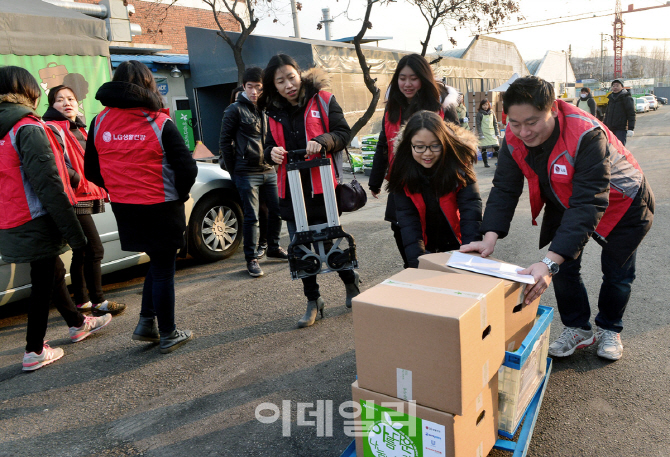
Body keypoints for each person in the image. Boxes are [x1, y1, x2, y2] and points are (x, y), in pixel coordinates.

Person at [461, 76, 654, 362]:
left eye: (532, 122)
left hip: (622, 202)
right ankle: (578, 327)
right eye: (515, 123)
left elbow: (589, 202)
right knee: (564, 270)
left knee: (617, 274)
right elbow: (504, 187)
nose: (524, 132)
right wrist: (488, 235)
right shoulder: (514, 136)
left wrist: (548, 263)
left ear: (552, 107)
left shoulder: (586, 134)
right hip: (563, 198)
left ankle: (609, 327)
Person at [0, 66, 112, 371]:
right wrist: (74, 233)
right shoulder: (27, 128)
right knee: (43, 280)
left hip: (11, 217)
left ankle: (77, 323)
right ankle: (34, 350)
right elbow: (49, 184)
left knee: (51, 270)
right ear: (27, 91)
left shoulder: (6, 130)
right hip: (35, 217)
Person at [85, 60, 198, 354]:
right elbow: (187, 169)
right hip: (161, 205)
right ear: (148, 85)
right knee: (163, 268)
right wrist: (180, 194)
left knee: (157, 263)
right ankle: (169, 332)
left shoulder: (99, 122)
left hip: (126, 207)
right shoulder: (159, 122)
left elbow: (91, 171)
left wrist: (119, 187)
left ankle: (147, 322)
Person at [259, 54, 360, 328]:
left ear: (299, 74)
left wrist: (323, 141)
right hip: (291, 189)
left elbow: (343, 133)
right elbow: (268, 146)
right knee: (299, 247)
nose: (288, 85)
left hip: (322, 187)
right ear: (274, 85)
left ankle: (351, 284)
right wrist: (272, 152)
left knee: (331, 240)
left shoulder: (323, 100)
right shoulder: (272, 111)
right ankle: (313, 300)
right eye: (280, 81)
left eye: (291, 77)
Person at [368, 54, 459, 269]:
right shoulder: (392, 107)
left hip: (436, 186)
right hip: (402, 183)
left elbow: (458, 143)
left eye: (414, 78)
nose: (407, 84)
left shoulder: (441, 105)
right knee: (404, 235)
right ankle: (414, 277)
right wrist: (375, 179)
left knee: (439, 243)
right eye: (402, 78)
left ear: (424, 79)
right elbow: (384, 143)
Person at [43, 85, 126, 316]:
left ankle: (82, 301)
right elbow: (56, 164)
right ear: (51, 105)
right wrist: (80, 180)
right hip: (71, 196)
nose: (66, 103)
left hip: (82, 192)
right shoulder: (52, 128)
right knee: (94, 249)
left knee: (81, 250)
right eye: (60, 100)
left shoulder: (79, 127)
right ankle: (97, 301)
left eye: (70, 98)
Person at [387, 111, 482, 268]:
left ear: (445, 142)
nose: (427, 153)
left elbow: (471, 210)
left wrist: (471, 256)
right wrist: (417, 265)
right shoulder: (402, 169)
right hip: (419, 234)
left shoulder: (459, 163)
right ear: (408, 145)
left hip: (452, 233)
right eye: (419, 147)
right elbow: (408, 221)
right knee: (419, 271)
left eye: (435, 146)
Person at [219, 67, 287, 277]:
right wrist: (235, 171)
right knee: (252, 217)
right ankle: (252, 258)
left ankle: (274, 248)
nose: (254, 92)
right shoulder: (235, 109)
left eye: (259, 87)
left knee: (277, 211)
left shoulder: (269, 109)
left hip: (269, 169)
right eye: (250, 87)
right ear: (244, 87)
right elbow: (224, 143)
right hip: (246, 172)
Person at [604, 79, 635, 146]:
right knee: (610, 148)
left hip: (621, 129)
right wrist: (604, 126)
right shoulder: (611, 98)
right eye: (613, 86)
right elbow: (607, 114)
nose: (615, 87)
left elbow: (631, 114)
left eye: (617, 86)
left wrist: (630, 128)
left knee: (619, 148)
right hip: (610, 128)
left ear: (622, 87)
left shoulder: (626, 98)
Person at [475, 98, 499, 168]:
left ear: (489, 105)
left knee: (497, 147)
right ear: (481, 106)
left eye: (486, 105)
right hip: (484, 133)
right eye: (484, 105)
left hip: (492, 133)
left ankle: (499, 162)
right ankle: (486, 163)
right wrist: (480, 134)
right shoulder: (479, 114)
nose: (485, 106)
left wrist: (497, 133)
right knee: (484, 148)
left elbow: (495, 123)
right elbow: (478, 125)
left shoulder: (492, 113)